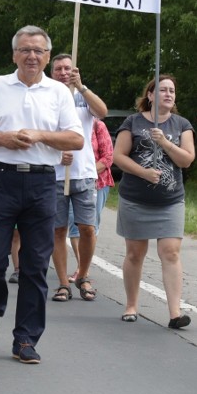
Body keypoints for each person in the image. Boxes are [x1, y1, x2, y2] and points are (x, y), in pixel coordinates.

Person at [0, 25, 83, 365]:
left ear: (47, 56)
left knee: (34, 266)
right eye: (25, 49)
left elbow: (75, 140)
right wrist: (4, 139)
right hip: (0, 180)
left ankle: (26, 339)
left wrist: (40, 136)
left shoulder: (59, 93)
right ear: (14, 54)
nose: (32, 56)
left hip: (42, 183)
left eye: (38, 50)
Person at [113, 75, 194, 328]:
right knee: (135, 254)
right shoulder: (133, 122)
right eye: (162, 90)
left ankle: (174, 313)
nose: (168, 94)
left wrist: (163, 143)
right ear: (150, 95)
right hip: (135, 199)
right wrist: (143, 172)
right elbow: (118, 156)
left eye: (172, 90)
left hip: (170, 201)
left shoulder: (182, 124)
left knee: (170, 252)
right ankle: (131, 305)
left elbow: (186, 160)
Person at [49, 54, 108, 303]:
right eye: (58, 69)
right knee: (58, 230)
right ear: (52, 72)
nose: (63, 72)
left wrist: (81, 87)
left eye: (67, 68)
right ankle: (63, 283)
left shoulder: (82, 97)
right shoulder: (46, 96)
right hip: (54, 175)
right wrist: (55, 152)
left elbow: (102, 112)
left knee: (87, 228)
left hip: (84, 174)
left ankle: (83, 275)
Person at [67, 118, 114, 280]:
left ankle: (83, 269)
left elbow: (108, 157)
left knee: (90, 226)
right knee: (73, 224)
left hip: (97, 182)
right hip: (69, 180)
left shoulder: (97, 125)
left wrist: (87, 172)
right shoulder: (64, 124)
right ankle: (82, 268)